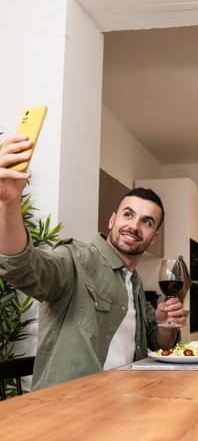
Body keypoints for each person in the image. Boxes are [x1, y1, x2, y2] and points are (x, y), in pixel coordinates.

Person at [0, 134, 186, 390]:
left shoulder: (136, 283)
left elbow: (158, 343)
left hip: (129, 403)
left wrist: (166, 323)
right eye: (128, 214)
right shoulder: (76, 259)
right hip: (72, 408)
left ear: (154, 237)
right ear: (112, 221)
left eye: (147, 221)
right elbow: (24, 268)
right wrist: (10, 204)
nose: (134, 226)